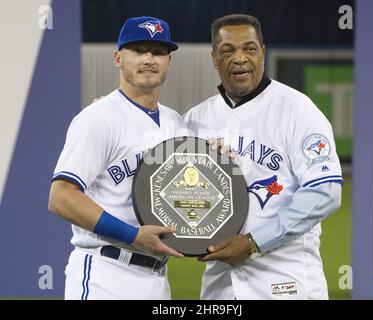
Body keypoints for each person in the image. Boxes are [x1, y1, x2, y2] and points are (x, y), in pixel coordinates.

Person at [184, 14, 343, 300]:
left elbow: (325, 193)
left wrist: (255, 243)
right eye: (228, 51)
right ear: (214, 59)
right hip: (220, 288)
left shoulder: (298, 110)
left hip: (286, 283)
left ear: (263, 52)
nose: (240, 58)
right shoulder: (195, 120)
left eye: (249, 48)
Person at [48, 16, 187, 300]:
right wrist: (133, 236)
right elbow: (61, 197)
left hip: (158, 278)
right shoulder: (98, 118)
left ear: (169, 61)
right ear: (118, 58)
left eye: (158, 52)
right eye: (138, 50)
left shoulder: (177, 123)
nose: (149, 59)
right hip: (105, 272)